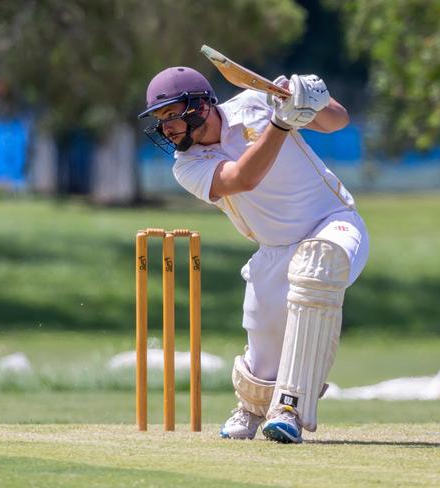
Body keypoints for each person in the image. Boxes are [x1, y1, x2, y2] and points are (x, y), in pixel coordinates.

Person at [138, 66, 369, 443]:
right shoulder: (188, 166)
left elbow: (337, 122)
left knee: (317, 268)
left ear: (198, 107)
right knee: (263, 351)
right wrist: (280, 124)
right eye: (160, 121)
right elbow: (243, 179)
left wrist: (309, 99)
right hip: (274, 249)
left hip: (334, 223)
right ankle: (253, 406)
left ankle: (290, 409)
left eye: (171, 117)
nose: (166, 129)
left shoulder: (257, 102)